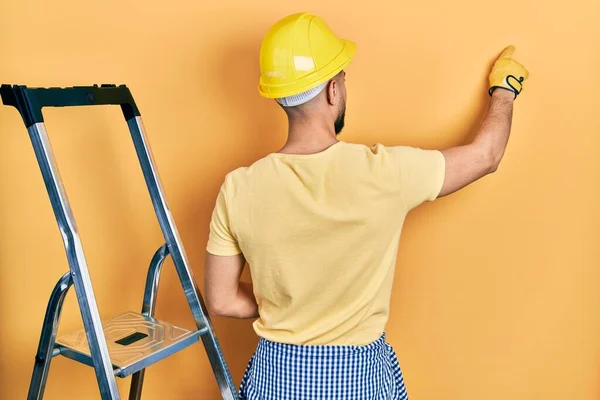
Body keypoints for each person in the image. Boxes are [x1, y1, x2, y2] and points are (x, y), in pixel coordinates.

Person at [203, 12, 528, 400]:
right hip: (358, 379)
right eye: (342, 78)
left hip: (275, 377)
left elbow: (220, 300)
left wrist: (289, 307)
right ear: (332, 92)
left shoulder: (239, 188)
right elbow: (486, 155)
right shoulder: (384, 173)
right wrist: (504, 90)